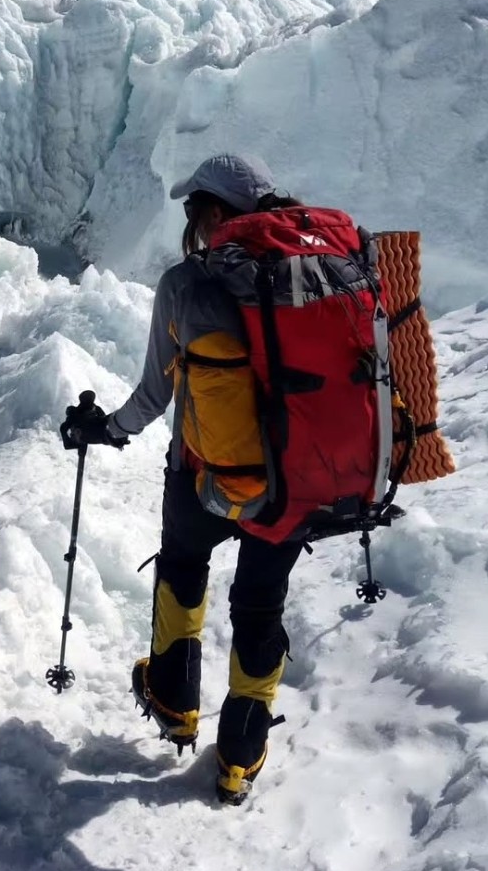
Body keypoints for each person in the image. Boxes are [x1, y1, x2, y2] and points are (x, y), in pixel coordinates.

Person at [62, 153, 309, 805]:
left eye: (196, 210)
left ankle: (176, 704)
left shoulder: (184, 286)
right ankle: (239, 758)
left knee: (182, 568)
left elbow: (153, 395)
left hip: (202, 481)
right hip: (289, 489)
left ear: (219, 213)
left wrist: (105, 429)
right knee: (261, 609)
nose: (191, 224)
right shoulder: (310, 276)